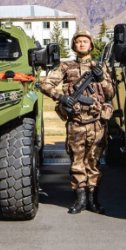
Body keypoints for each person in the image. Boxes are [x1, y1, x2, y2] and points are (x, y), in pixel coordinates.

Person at [41, 30, 115, 214]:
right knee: (77, 162)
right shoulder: (65, 67)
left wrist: (101, 79)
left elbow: (110, 94)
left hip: (96, 122)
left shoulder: (100, 67)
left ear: (91, 45)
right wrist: (61, 97)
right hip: (76, 122)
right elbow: (45, 85)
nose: (82, 44)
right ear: (74, 45)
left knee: (94, 162)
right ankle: (79, 200)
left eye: (85, 41)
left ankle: (94, 200)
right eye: (78, 41)